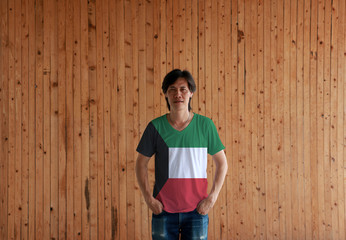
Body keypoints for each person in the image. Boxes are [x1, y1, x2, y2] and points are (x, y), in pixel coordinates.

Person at [135, 69, 228, 240]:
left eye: (183, 89)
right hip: (163, 211)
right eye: (172, 89)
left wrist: (212, 198)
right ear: (166, 94)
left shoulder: (205, 125)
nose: (178, 94)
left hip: (196, 211)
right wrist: (149, 199)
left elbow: (222, 163)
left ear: (191, 92)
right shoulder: (155, 127)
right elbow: (140, 164)